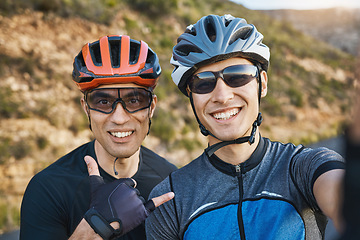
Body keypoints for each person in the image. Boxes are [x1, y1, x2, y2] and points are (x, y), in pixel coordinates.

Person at [146, 14, 345, 239]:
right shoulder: (170, 199)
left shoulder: (302, 167)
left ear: (263, 84)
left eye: (237, 76)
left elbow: (341, 194)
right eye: (204, 82)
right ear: (191, 96)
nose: (222, 96)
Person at [20, 35, 177, 240]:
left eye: (134, 100)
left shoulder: (171, 184)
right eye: (103, 101)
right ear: (86, 109)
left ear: (152, 107)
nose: (119, 118)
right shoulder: (48, 189)